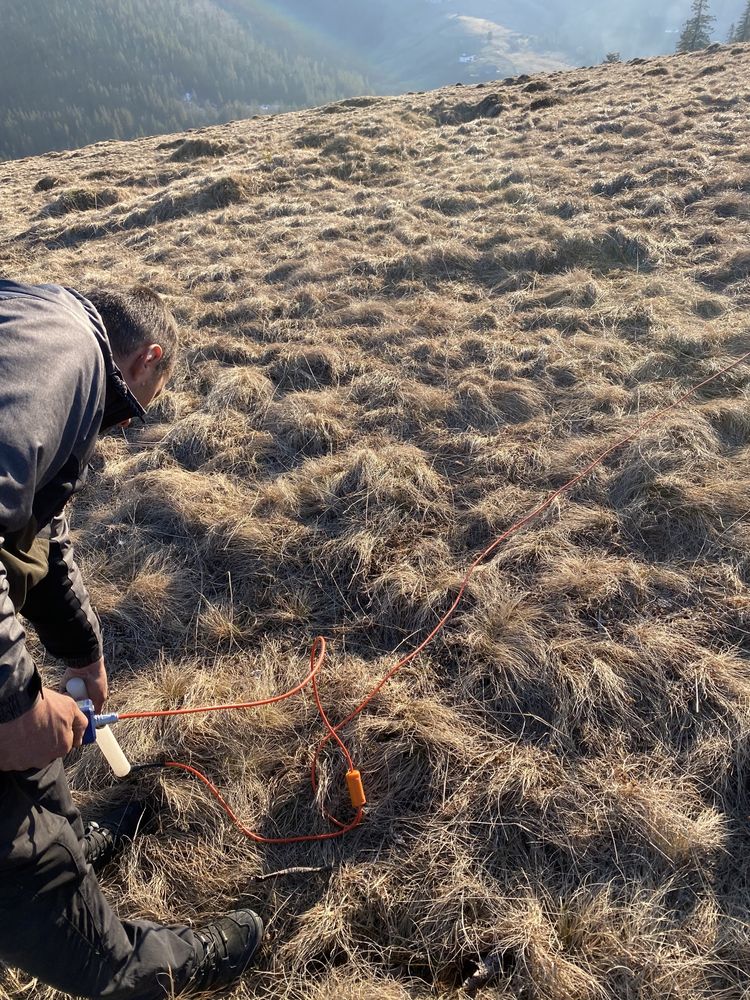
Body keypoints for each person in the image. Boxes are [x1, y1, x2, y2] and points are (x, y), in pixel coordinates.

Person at [0, 280, 263, 998]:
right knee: (54, 909)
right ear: (146, 359)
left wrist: (82, 651)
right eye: (135, 413)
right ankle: (134, 962)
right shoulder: (66, 357)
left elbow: (37, 526)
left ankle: (67, 843)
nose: (122, 429)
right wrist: (13, 708)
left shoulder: (27, 321)